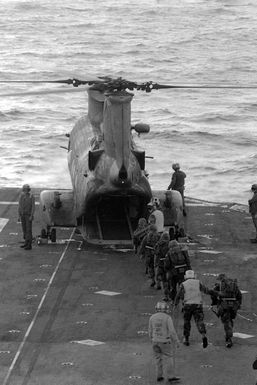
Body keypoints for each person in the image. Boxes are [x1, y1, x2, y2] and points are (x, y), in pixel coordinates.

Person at [174, 270, 209, 348]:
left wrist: (175, 304)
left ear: (185, 277)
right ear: (194, 276)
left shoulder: (183, 284)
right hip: (198, 305)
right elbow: (206, 290)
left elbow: (178, 295)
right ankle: (203, 335)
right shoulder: (198, 282)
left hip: (187, 305)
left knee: (187, 322)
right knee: (199, 321)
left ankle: (186, 339)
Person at [148, 301, 180, 383]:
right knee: (169, 357)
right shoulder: (167, 318)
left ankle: (159, 376)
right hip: (165, 341)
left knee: (158, 359)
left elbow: (150, 331)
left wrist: (152, 339)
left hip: (155, 341)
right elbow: (172, 331)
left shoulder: (152, 317)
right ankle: (171, 377)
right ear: (166, 309)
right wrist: (176, 341)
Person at [209, 273, 242, 348]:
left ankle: (228, 338)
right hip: (233, 306)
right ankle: (229, 334)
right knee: (230, 320)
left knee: (226, 322)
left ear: (221, 279)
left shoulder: (219, 285)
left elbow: (212, 294)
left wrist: (214, 302)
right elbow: (239, 296)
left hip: (224, 306)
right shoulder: (234, 285)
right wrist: (238, 304)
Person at [18, 184, 35, 250]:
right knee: (24, 229)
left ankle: (29, 244)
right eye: (25, 190)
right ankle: (26, 242)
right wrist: (19, 215)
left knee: (28, 230)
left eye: (27, 190)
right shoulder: (21, 196)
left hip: (28, 215)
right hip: (23, 215)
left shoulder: (31, 196)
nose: (26, 191)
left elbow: (33, 207)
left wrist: (31, 215)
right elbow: (19, 206)